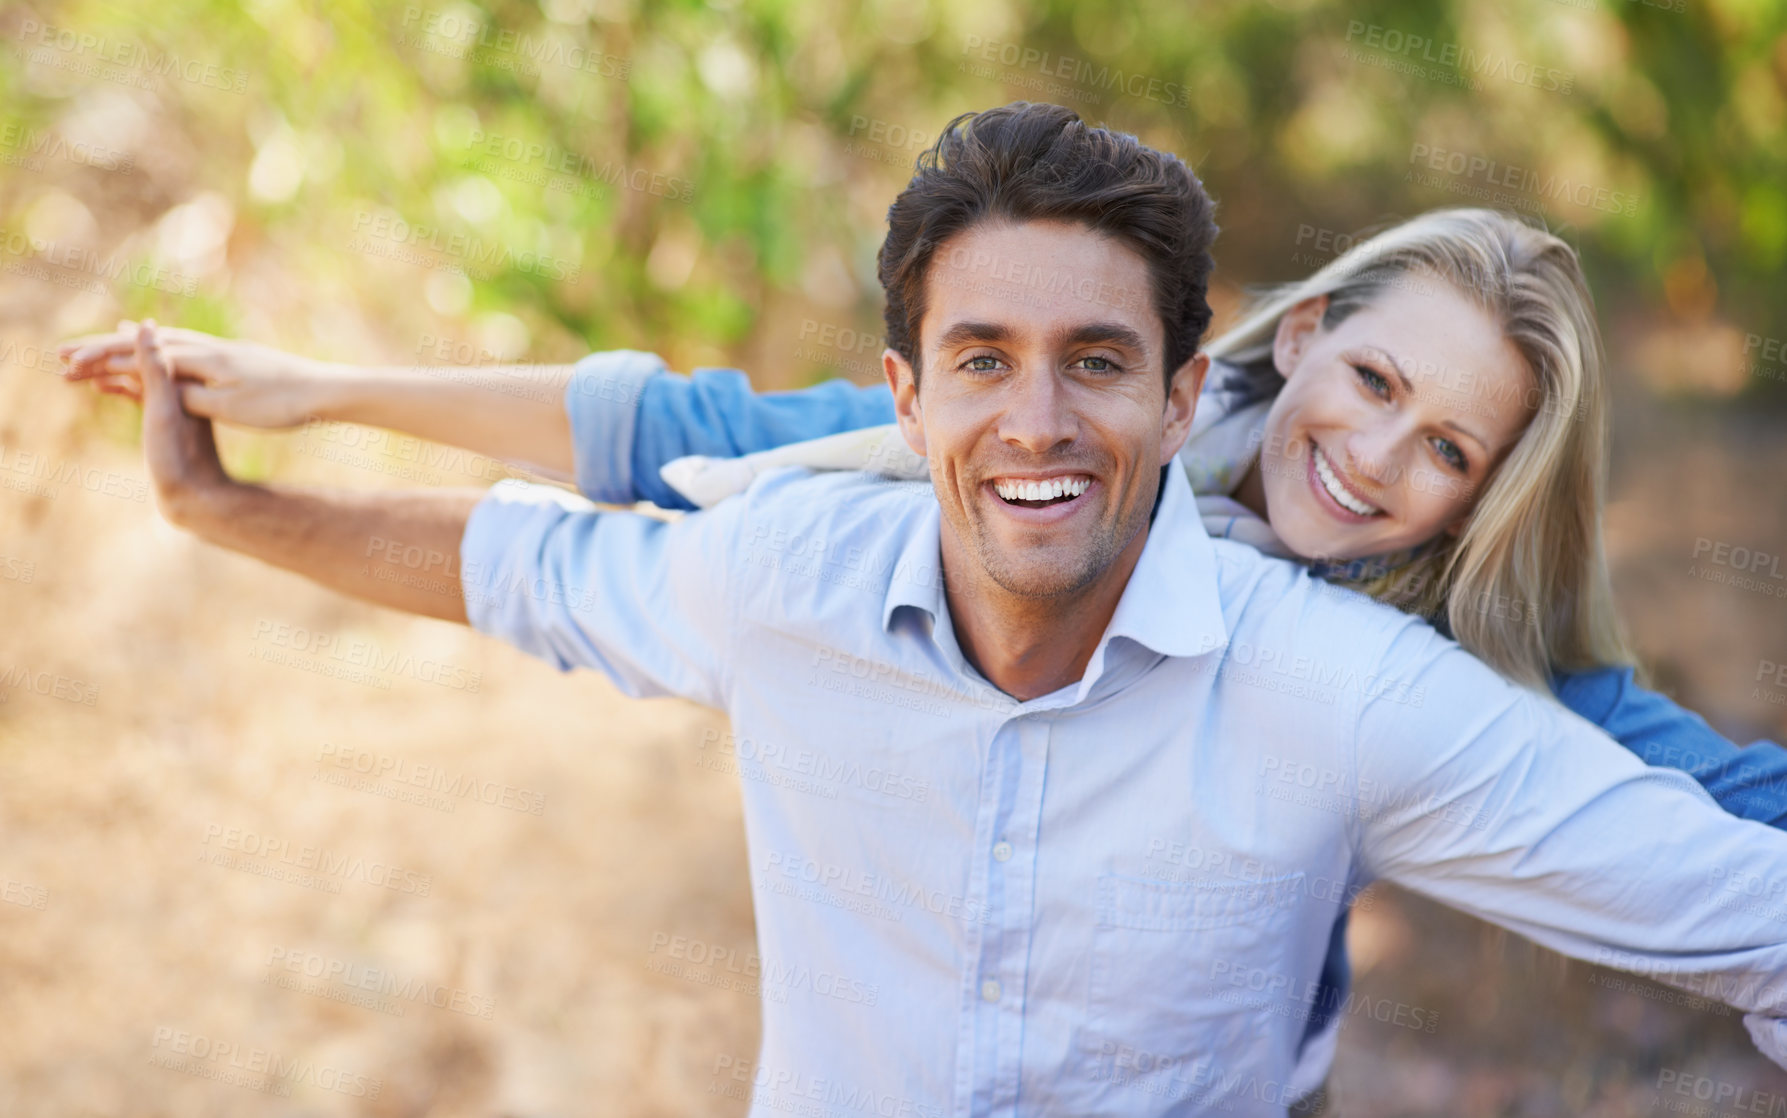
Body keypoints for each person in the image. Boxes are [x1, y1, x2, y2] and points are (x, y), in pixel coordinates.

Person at [60, 104, 1787, 1114]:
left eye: (1449, 450)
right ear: (1300, 332)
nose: (1376, 455)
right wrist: (294, 409)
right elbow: (640, 467)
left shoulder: (1389, 680)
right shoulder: (874, 514)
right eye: (1379, 383)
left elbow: (1727, 843)